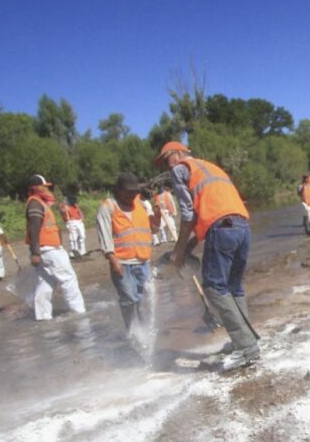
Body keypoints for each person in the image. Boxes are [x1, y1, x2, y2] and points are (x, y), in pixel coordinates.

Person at [154, 141, 259, 370]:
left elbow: (189, 214)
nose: (164, 165)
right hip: (241, 227)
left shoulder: (179, 169)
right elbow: (214, 214)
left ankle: (247, 346)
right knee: (233, 287)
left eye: (165, 159)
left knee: (213, 287)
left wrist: (179, 252)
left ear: (177, 153)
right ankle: (242, 339)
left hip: (222, 228)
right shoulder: (209, 167)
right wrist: (189, 246)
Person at [25, 174, 86, 321]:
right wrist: (35, 252)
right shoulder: (35, 204)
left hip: (45, 249)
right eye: (45, 187)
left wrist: (36, 252)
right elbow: (34, 228)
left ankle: (43, 317)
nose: (47, 189)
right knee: (68, 279)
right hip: (48, 250)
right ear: (36, 188)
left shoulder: (39, 202)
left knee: (46, 282)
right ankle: (79, 313)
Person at [97, 173, 154, 329]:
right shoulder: (108, 207)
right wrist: (112, 259)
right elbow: (105, 236)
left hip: (143, 261)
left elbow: (151, 229)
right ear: (118, 190)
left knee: (144, 299)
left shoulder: (141, 205)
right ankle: (131, 329)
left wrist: (158, 215)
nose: (131, 195)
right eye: (128, 191)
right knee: (129, 298)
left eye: (134, 192)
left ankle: (144, 330)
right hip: (122, 262)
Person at [59, 194, 88, 258]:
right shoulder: (64, 206)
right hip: (71, 222)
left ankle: (82, 250)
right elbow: (62, 212)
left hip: (78, 221)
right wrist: (63, 206)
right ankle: (73, 251)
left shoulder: (75, 205)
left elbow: (80, 212)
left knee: (82, 236)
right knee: (73, 238)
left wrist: (82, 218)